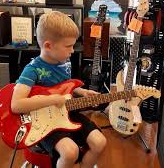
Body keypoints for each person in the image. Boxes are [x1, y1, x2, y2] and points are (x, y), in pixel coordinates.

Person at [11, 11, 107, 168]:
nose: (72, 51)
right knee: (70, 152)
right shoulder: (32, 69)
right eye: (68, 46)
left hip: (68, 114)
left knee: (100, 142)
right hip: (43, 123)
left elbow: (65, 86)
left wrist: (81, 92)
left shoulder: (64, 63)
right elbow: (16, 104)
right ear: (48, 46)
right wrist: (54, 100)